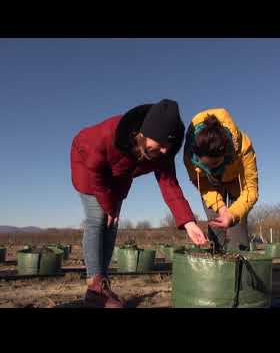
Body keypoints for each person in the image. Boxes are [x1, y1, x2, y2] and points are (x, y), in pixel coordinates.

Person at [70, 99, 207, 308]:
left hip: (118, 177)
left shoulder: (163, 153)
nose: (163, 151)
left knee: (112, 222)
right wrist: (108, 205)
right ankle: (95, 287)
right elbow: (96, 172)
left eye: (168, 147)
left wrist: (189, 222)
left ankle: (101, 285)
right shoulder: (109, 134)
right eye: (159, 144)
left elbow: (170, 186)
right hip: (87, 165)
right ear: (143, 134)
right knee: (97, 217)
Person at [183, 108, 259, 252]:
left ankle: (239, 262)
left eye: (215, 164)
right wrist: (221, 207)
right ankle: (216, 261)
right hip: (211, 185)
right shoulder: (189, 156)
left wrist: (232, 213)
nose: (210, 168)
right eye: (205, 165)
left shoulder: (244, 149)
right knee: (215, 223)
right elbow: (203, 185)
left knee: (238, 224)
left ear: (226, 152)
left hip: (237, 182)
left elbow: (251, 190)